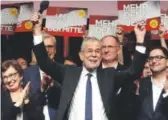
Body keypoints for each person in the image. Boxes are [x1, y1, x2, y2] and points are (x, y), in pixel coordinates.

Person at [31, 12, 147, 120]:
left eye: (97, 51)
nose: (94, 55)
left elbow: (134, 71)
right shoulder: (68, 73)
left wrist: (140, 39)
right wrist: (37, 31)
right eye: (89, 51)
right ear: (81, 55)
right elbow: (45, 63)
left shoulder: (109, 76)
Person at [23, 32, 61, 120]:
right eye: (43, 47)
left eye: (50, 47)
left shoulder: (64, 71)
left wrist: (53, 85)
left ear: (55, 50)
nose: (47, 50)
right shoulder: (27, 74)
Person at [137, 47, 168, 120]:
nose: (154, 61)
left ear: (167, 62)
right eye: (151, 58)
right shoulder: (142, 83)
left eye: (158, 57)